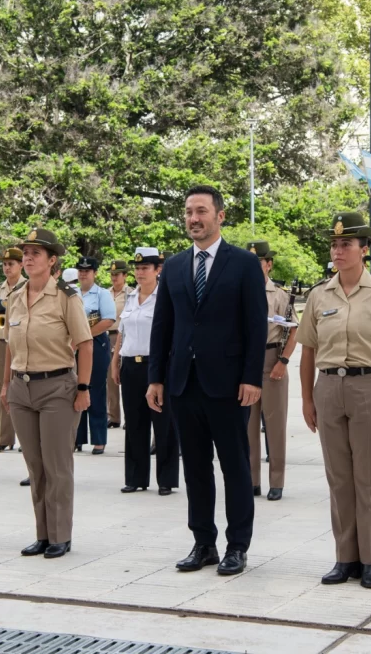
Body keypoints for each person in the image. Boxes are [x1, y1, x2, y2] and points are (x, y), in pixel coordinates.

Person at [147, 185, 267, 576]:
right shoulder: (176, 266)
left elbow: (254, 326)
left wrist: (252, 377)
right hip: (183, 383)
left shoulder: (245, 265)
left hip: (229, 384)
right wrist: (156, 378)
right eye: (187, 212)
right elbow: (163, 325)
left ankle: (237, 546)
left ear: (220, 216)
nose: (193, 219)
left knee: (235, 466)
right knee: (195, 467)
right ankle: (203, 543)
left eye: (201, 211)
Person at [297, 212, 371, 589]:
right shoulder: (319, 294)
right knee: (338, 479)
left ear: (364, 250)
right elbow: (309, 351)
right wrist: (307, 400)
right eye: (334, 245)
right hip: (330, 388)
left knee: (369, 478)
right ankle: (344, 557)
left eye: (346, 244)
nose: (338, 251)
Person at [0, 228, 93, 559]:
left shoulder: (66, 297)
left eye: (35, 253)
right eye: (25, 252)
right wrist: (6, 384)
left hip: (57, 387)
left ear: (52, 261)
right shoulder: (14, 297)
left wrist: (83, 388)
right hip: (21, 388)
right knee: (35, 467)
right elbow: (10, 343)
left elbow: (84, 344)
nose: (27, 257)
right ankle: (42, 534)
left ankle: (60, 535)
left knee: (57, 466)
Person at [112, 247, 179, 495]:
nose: (140, 273)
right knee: (135, 422)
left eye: (145, 268)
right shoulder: (130, 298)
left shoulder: (165, 297)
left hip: (157, 365)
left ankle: (166, 479)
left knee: (164, 423)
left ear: (157, 270)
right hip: (130, 364)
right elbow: (122, 332)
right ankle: (136, 478)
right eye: (137, 269)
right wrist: (115, 361)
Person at [246, 240, 298, 502]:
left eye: (260, 262)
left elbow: (293, 330)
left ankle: (276, 481)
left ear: (269, 264)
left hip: (271, 359)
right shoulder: (238, 292)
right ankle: (252, 480)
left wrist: (284, 361)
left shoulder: (279, 295)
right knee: (248, 426)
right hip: (246, 364)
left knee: (275, 425)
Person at [74, 257, 115, 454]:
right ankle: (77, 437)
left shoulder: (102, 294)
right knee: (75, 389)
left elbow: (108, 320)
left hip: (96, 343)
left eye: (88, 270)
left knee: (95, 389)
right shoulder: (71, 294)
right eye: (80, 270)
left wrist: (84, 335)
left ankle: (99, 439)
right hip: (73, 345)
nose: (83, 273)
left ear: (95, 273)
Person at [0, 247, 25, 453]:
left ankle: (23, 437)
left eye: (11, 264)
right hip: (1, 344)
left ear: (21, 265)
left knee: (19, 390)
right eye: (4, 264)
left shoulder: (27, 287)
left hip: (20, 344)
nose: (7, 267)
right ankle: (5, 438)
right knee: (2, 389)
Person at [107, 259, 131, 429]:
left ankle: (129, 416)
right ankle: (113, 416)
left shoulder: (131, 293)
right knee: (110, 378)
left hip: (124, 335)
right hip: (107, 335)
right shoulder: (105, 293)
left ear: (125, 275)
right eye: (112, 274)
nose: (114, 278)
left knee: (128, 378)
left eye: (117, 274)